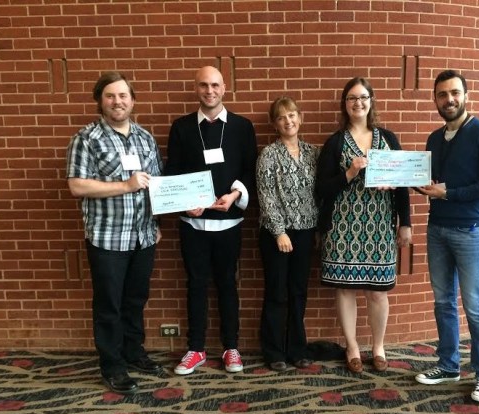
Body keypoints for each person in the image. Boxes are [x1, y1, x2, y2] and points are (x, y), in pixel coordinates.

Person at [66, 71, 163, 395]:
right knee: (109, 305)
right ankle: (112, 365)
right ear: (100, 101)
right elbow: (77, 185)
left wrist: (158, 224)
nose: (117, 101)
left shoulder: (145, 138)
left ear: (132, 100)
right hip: (107, 238)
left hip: (143, 236)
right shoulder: (87, 138)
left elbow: (157, 186)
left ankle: (134, 353)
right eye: (111, 96)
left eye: (123, 95)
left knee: (135, 300)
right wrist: (125, 185)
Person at [414, 69, 479, 403]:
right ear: (435, 100)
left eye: (454, 93)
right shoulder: (434, 139)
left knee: (475, 306)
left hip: (471, 232)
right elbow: (430, 182)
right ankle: (448, 365)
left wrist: (448, 193)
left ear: (466, 95)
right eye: (442, 94)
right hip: (437, 230)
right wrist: (398, 180)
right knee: (443, 302)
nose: (449, 99)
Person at [316, 77, 412, 374]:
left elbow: (403, 184)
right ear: (345, 105)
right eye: (352, 98)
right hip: (342, 227)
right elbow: (321, 189)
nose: (358, 103)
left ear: (371, 101)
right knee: (345, 289)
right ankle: (353, 347)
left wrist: (405, 223)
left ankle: (378, 346)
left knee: (377, 291)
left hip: (380, 225)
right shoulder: (335, 142)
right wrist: (349, 171)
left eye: (363, 97)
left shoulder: (388, 138)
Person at [166, 66, 257, 375]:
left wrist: (234, 195)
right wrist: (184, 202)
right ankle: (196, 349)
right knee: (196, 285)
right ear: (196, 88)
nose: (210, 90)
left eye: (215, 85)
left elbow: (249, 171)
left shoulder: (242, 127)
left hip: (229, 225)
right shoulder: (181, 128)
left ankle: (231, 348)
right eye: (204, 85)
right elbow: (172, 173)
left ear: (224, 88)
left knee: (228, 285)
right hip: (193, 226)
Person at [256, 97, 319, 372]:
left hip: (306, 232)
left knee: (298, 292)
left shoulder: (313, 153)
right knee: (277, 293)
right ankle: (274, 352)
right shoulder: (268, 154)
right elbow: (266, 195)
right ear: (274, 124)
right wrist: (280, 232)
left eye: (292, 115)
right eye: (281, 117)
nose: (288, 121)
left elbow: (320, 193)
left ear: (300, 118)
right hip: (276, 234)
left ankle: (297, 349)